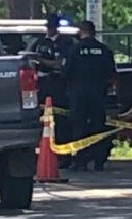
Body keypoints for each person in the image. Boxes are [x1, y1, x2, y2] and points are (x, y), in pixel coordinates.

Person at [64, 20, 117, 172]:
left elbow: (66, 72)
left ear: (82, 31)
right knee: (98, 126)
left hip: (79, 95)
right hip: (98, 95)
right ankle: (99, 160)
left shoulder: (75, 49)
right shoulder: (104, 50)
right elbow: (111, 74)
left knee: (79, 126)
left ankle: (80, 160)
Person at [29, 14, 76, 168]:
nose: (48, 30)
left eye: (51, 27)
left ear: (56, 28)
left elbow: (61, 63)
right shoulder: (39, 42)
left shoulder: (67, 43)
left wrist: (42, 61)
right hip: (41, 84)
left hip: (59, 85)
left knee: (62, 121)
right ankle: (38, 153)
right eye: (47, 27)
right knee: (38, 120)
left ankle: (64, 156)